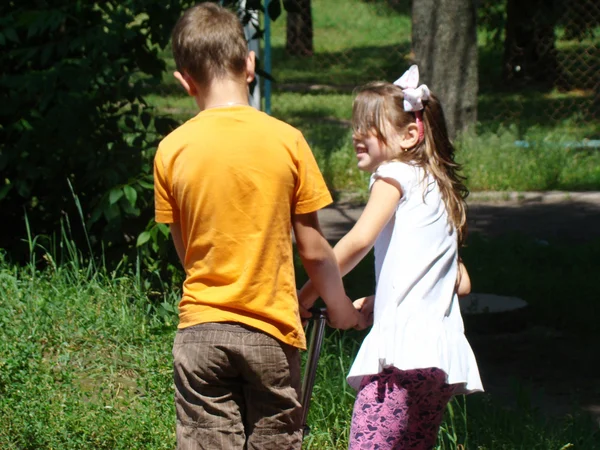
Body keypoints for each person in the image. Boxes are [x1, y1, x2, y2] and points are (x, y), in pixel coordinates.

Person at [153, 4, 362, 449]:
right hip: (271, 330)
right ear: (250, 63)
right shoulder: (287, 140)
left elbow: (186, 249)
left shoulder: (171, 150)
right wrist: (339, 305)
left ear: (184, 80)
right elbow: (313, 248)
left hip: (201, 330)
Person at [299, 65, 483, 449]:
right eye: (355, 124)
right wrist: (385, 300)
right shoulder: (438, 187)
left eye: (369, 126)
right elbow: (460, 282)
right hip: (438, 364)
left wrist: (308, 294)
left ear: (409, 135)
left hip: (401, 360)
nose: (356, 134)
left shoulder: (394, 174)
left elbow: (359, 240)